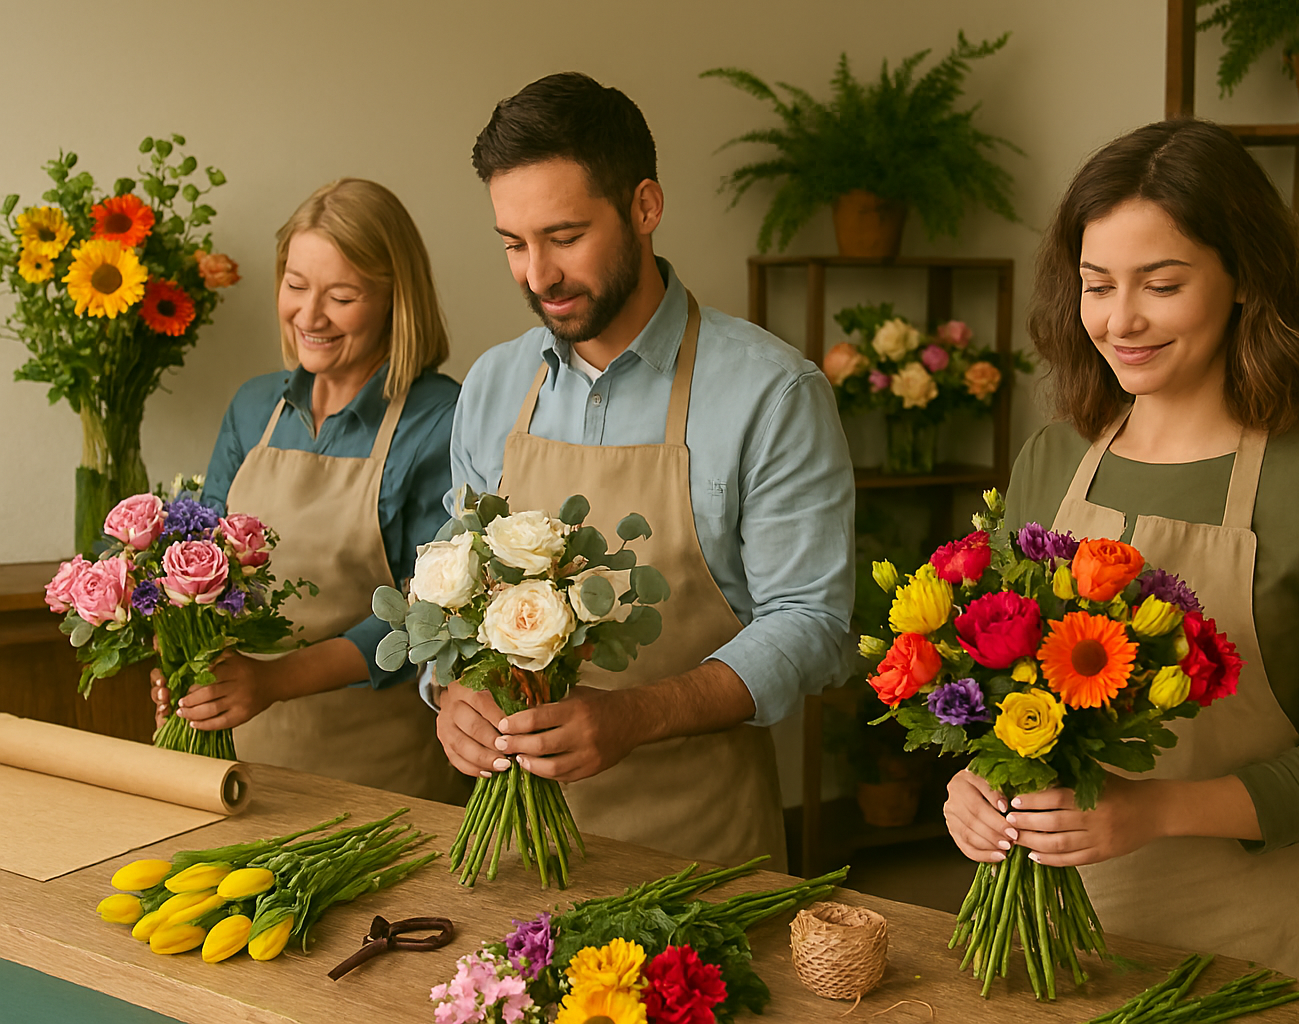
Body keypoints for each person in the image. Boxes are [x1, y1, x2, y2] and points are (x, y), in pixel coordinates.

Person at [942, 119, 1299, 988]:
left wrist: (1153, 811)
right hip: (1045, 951)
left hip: (1243, 952)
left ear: (1243, 279)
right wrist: (975, 782)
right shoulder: (1054, 455)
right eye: (1095, 285)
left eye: (1161, 284)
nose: (1121, 321)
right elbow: (1003, 688)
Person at [432, 73, 856, 871]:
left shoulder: (772, 392)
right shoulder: (492, 384)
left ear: (645, 208)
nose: (537, 276)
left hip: (700, 849)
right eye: (513, 245)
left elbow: (813, 622)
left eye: (563, 237)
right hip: (512, 845)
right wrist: (446, 693)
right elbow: (450, 588)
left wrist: (636, 716)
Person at [152, 178, 467, 803]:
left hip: (378, 775)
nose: (310, 315)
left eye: (342, 296)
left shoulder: (440, 420)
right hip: (237, 762)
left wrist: (271, 681)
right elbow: (198, 572)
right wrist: (182, 667)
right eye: (295, 286)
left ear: (393, 301)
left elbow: (426, 618)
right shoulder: (254, 407)